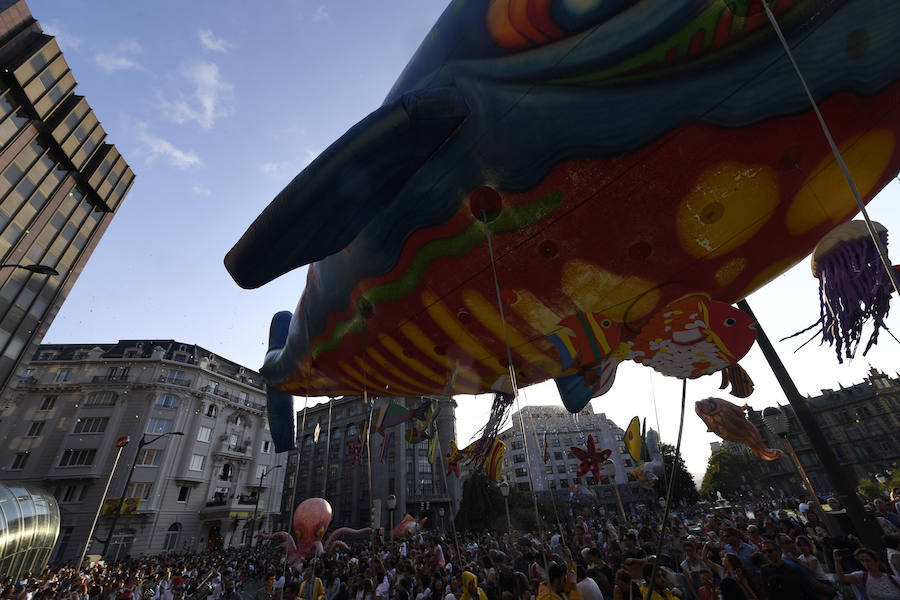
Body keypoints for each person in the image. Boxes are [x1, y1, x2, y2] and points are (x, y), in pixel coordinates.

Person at [833, 547, 900, 600]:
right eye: (862, 561)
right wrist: (837, 562)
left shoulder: (892, 579)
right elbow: (843, 578)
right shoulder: (863, 576)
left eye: (868, 561)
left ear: (876, 562)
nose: (865, 564)